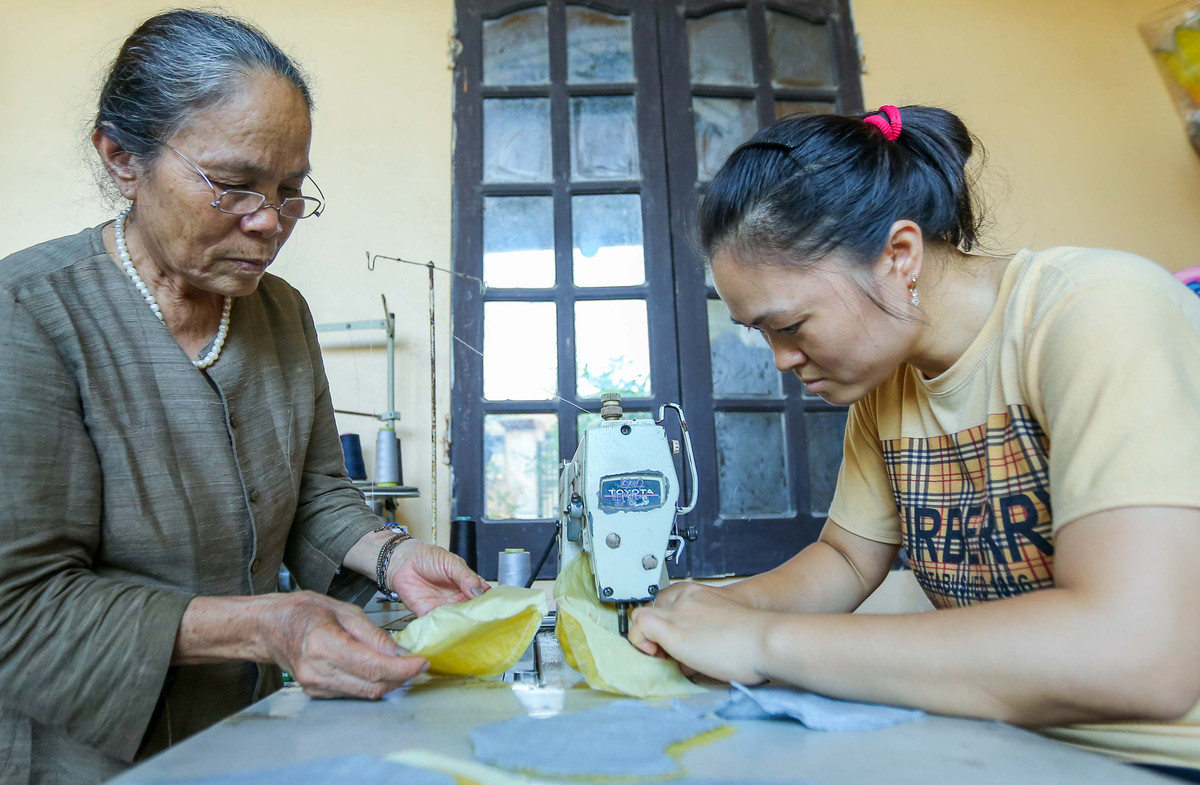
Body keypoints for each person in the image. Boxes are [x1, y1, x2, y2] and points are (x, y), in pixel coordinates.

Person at [629, 105, 1200, 776]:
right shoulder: (885, 387)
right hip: (1004, 747)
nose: (782, 359)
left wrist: (761, 638)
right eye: (763, 334)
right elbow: (844, 560)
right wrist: (717, 607)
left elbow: (1141, 652)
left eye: (791, 325)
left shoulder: (1095, 310)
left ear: (899, 255)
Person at [0, 10, 489, 784]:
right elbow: (16, 606)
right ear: (122, 157)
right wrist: (269, 624)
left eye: (291, 190)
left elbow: (316, 495)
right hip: (80, 756)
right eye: (233, 187)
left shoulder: (280, 313)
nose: (269, 223)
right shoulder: (25, 315)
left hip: (244, 735)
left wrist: (395, 555)